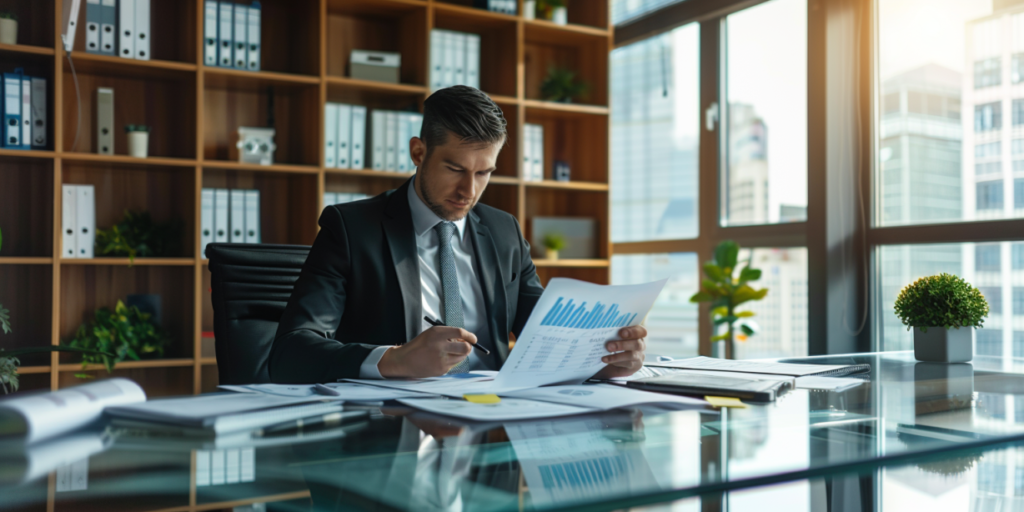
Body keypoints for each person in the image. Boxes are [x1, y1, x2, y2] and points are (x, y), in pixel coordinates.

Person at [269, 85, 647, 383]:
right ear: (418, 152)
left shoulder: (504, 233)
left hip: (492, 424)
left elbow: (547, 334)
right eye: (455, 168)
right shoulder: (352, 229)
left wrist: (602, 358)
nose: (469, 190)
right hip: (391, 433)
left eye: (484, 173)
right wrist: (395, 359)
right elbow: (291, 353)